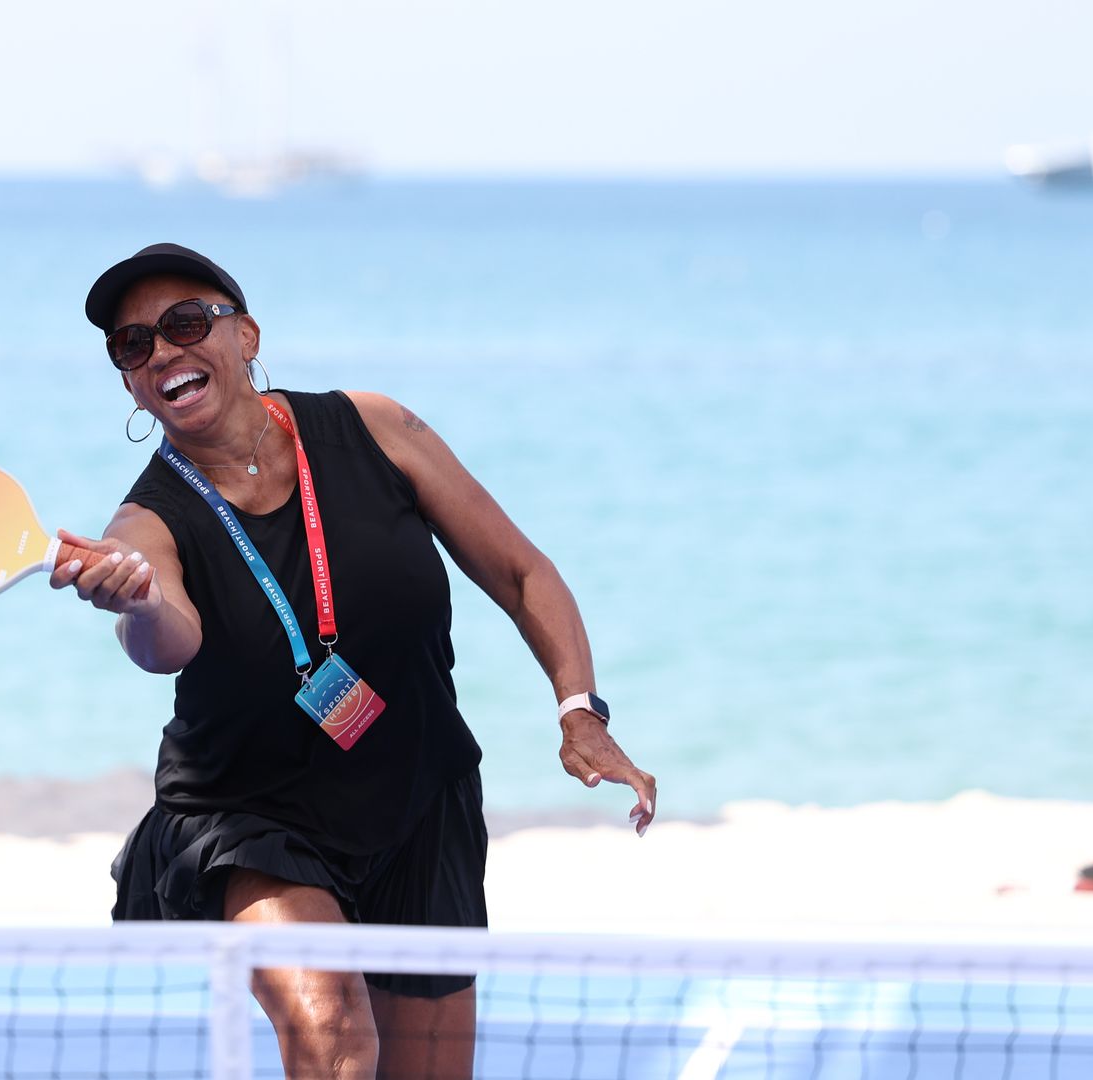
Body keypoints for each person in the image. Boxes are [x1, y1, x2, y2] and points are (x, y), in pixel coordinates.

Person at [49, 243, 657, 1080]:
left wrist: (579, 710)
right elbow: (166, 644)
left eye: (185, 323)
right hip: (252, 817)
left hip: (420, 802)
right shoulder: (144, 524)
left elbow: (523, 574)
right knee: (333, 1034)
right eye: (133, 344)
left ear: (247, 336)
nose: (160, 351)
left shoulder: (373, 428)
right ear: (128, 383)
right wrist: (139, 600)